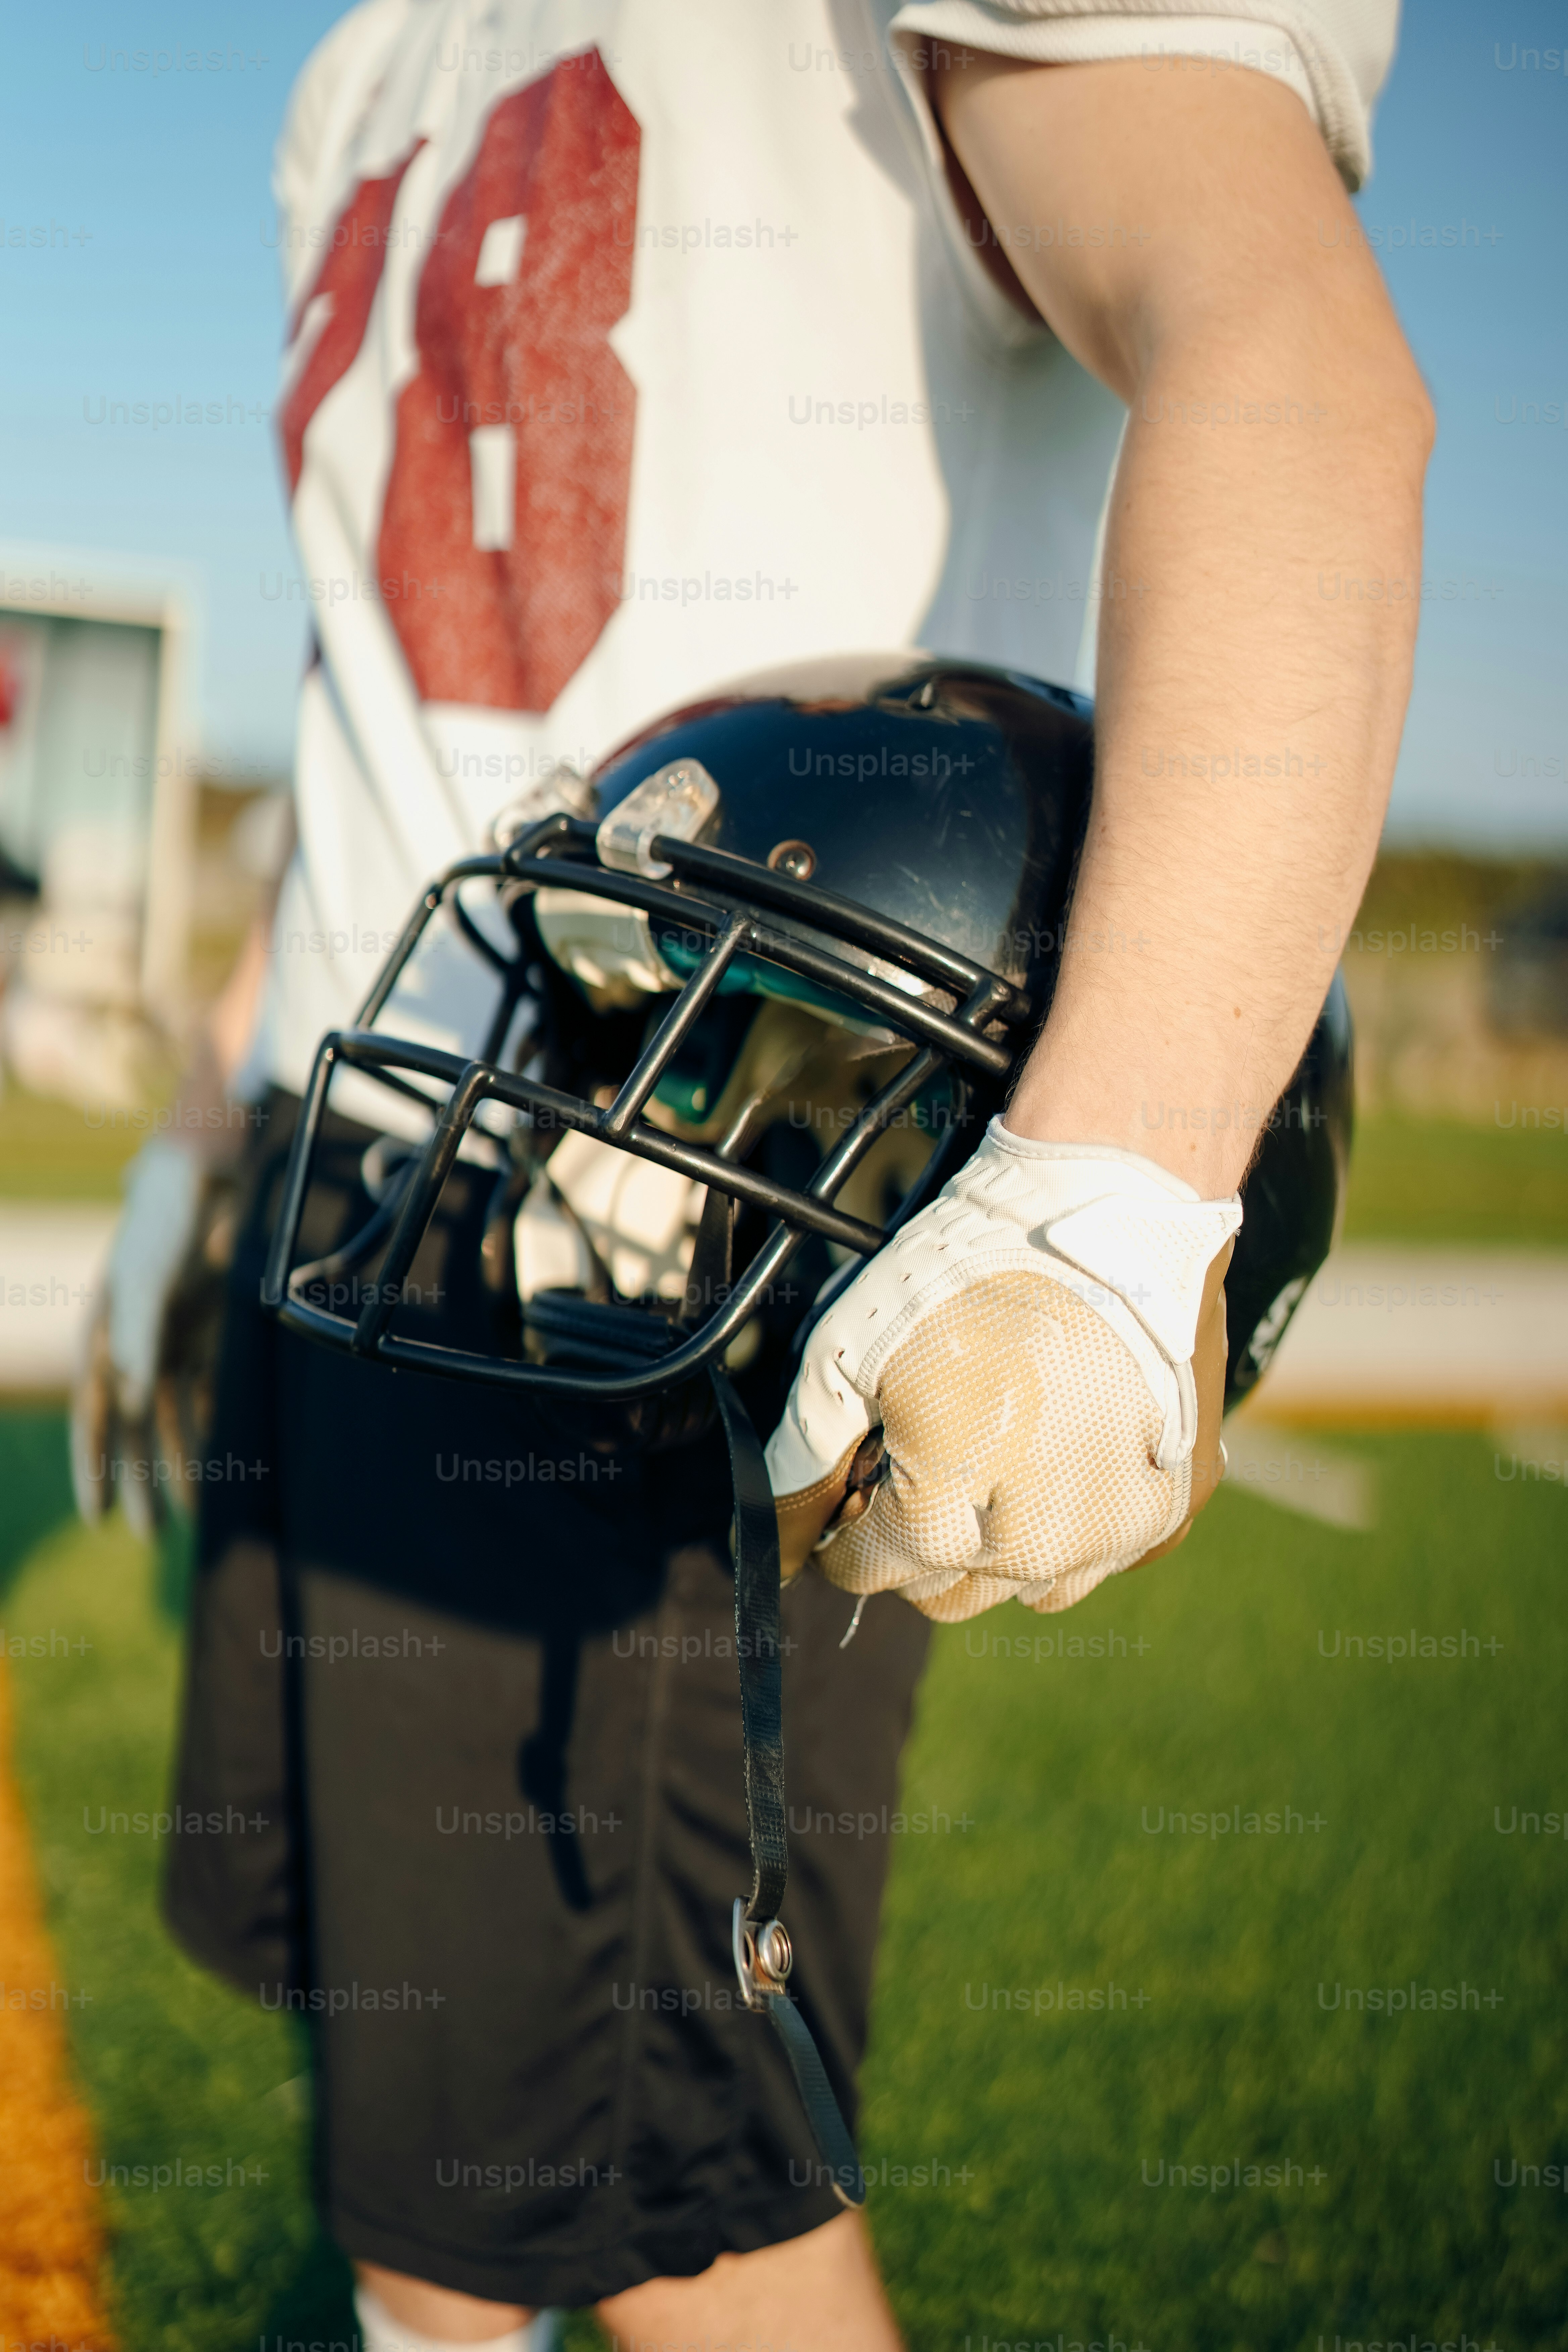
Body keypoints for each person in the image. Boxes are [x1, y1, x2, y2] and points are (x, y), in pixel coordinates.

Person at [79, 3, 1429, 2345]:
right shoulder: (359, 69)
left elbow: (1296, 374)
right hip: (379, 1136)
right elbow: (401, 690)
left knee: (666, 2183)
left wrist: (1118, 1183)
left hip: (665, 1191)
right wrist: (216, 1125)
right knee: (435, 2082)